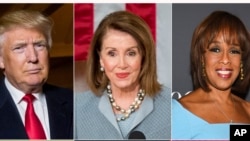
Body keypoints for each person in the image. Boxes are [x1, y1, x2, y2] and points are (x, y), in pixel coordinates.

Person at [74, 11, 171, 139]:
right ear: (100, 58)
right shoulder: (77, 109)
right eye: (112, 54)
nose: (122, 64)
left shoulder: (172, 106)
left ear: (144, 57)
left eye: (131, 53)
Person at [172, 11, 250, 140]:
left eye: (234, 51)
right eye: (216, 49)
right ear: (202, 57)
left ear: (242, 60)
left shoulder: (248, 110)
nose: (225, 59)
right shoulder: (177, 113)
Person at [0, 10, 73, 139]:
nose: (33, 58)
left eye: (39, 45)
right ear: (1, 60)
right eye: (19, 48)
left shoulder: (75, 103)